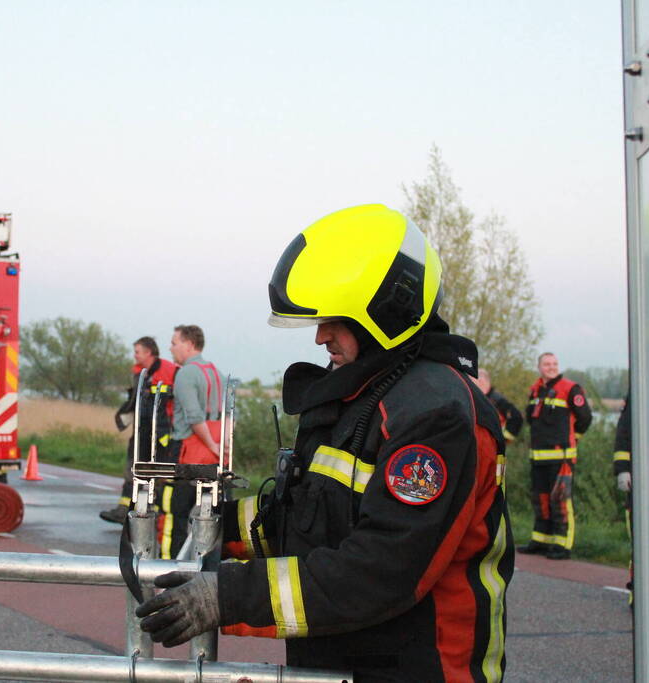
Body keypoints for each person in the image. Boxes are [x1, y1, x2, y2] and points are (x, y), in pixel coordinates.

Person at [136, 204, 514, 682]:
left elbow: (380, 571)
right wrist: (213, 522)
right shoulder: (364, 396)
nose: (319, 337)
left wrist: (229, 595)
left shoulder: (436, 415)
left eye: (334, 319)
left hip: (422, 670)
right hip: (339, 663)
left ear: (386, 309)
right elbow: (314, 516)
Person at [158, 324, 224, 559]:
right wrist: (220, 448)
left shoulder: (186, 373)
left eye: (174, 342)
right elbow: (226, 416)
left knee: (174, 511)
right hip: (215, 454)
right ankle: (208, 563)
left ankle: (170, 566)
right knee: (211, 511)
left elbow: (194, 417)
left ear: (188, 344)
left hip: (188, 449)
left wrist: (210, 445)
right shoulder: (215, 371)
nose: (170, 347)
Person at [519, 352, 592, 560]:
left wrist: (574, 438)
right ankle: (541, 541)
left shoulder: (570, 389)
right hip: (538, 456)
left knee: (560, 500)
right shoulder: (535, 390)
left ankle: (562, 545)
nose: (551, 367)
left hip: (562, 456)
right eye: (547, 364)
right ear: (539, 367)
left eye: (554, 364)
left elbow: (585, 417)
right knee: (540, 500)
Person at [99, 336, 177, 524]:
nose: (134, 356)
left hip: (162, 432)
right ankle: (124, 510)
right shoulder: (139, 373)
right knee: (133, 468)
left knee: (157, 472)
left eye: (137, 351)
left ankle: (155, 514)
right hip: (141, 430)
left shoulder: (170, 370)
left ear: (149, 352)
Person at [613, 392, 633, 602]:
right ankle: (638, 593)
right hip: (641, 481)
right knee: (640, 541)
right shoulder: (638, 393)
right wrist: (622, 469)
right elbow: (624, 434)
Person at [474, 368, 524, 442]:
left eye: (472, 381)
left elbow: (517, 416)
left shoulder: (497, 400)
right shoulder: (482, 398)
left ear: (481, 381)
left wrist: (503, 439)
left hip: (493, 448)